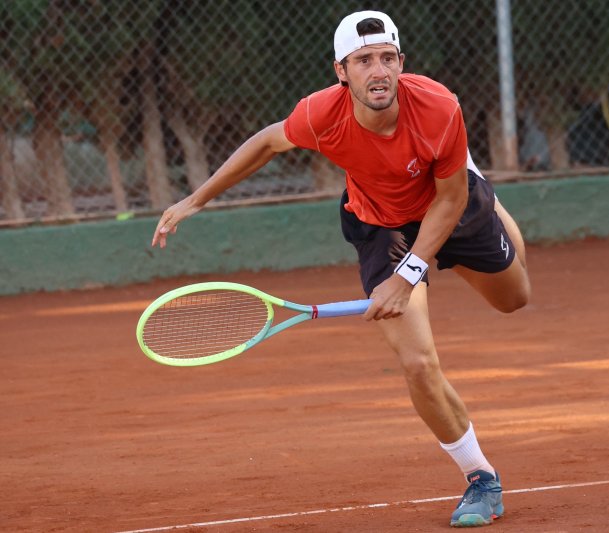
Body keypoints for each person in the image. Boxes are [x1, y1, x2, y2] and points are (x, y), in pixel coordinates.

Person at [151, 10, 530, 528]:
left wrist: (410, 275)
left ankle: (477, 180)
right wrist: (196, 200)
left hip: (451, 204)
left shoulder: (440, 107)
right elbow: (266, 141)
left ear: (401, 63)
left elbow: (448, 203)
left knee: (515, 298)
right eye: (364, 60)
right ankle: (480, 478)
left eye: (387, 58)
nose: (379, 71)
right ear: (341, 71)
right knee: (417, 364)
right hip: (380, 226)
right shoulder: (321, 114)